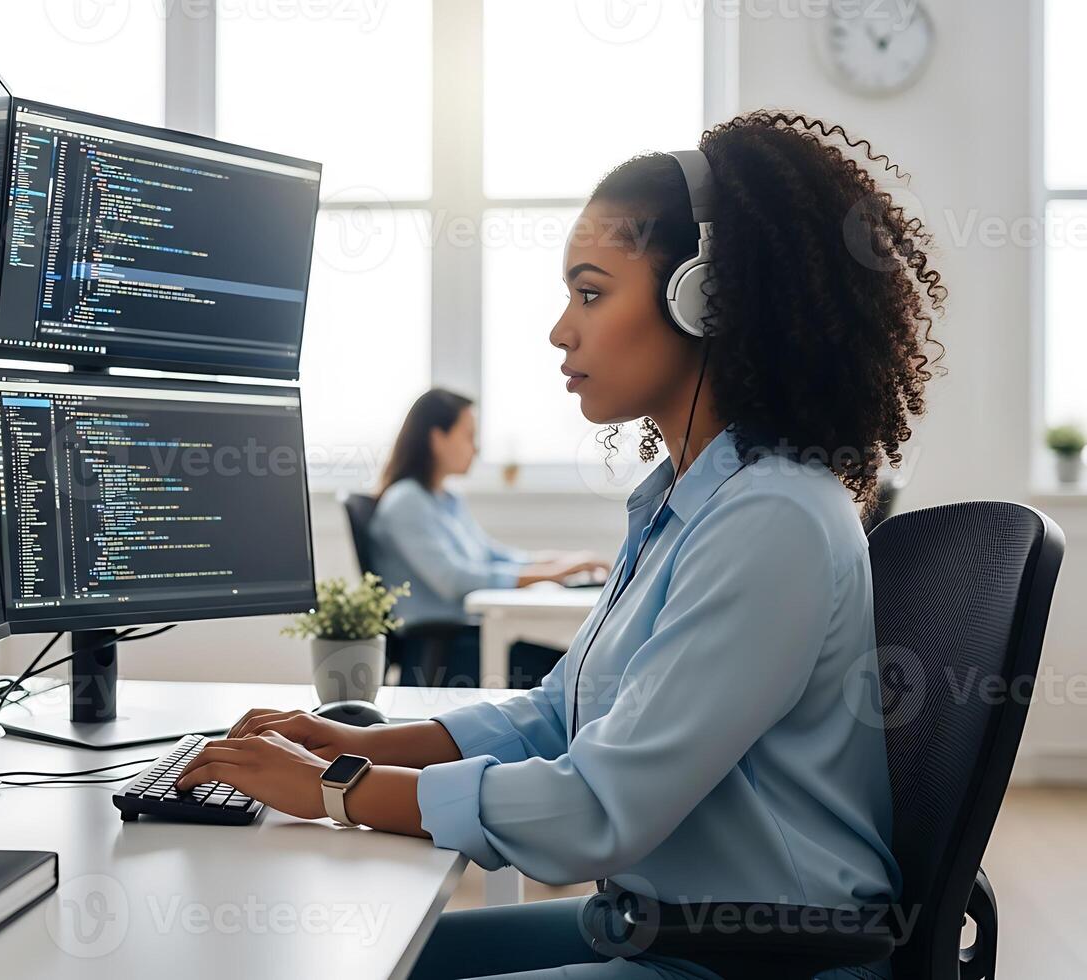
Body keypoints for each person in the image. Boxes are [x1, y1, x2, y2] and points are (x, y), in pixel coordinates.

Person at [176, 111, 945, 979]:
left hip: (758, 961)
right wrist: (338, 743)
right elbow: (552, 716)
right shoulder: (688, 504)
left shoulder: (775, 519)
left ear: (704, 299)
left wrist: (331, 792)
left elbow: (595, 808)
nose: (560, 330)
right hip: (662, 930)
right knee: (354, 962)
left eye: (589, 292)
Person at [370, 388, 609, 687]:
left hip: (467, 637)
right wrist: (550, 573)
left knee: (575, 663)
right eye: (469, 436)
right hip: (442, 648)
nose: (476, 448)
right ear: (437, 438)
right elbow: (455, 580)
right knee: (569, 671)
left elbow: (489, 554)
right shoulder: (405, 502)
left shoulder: (447, 499)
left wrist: (557, 561)